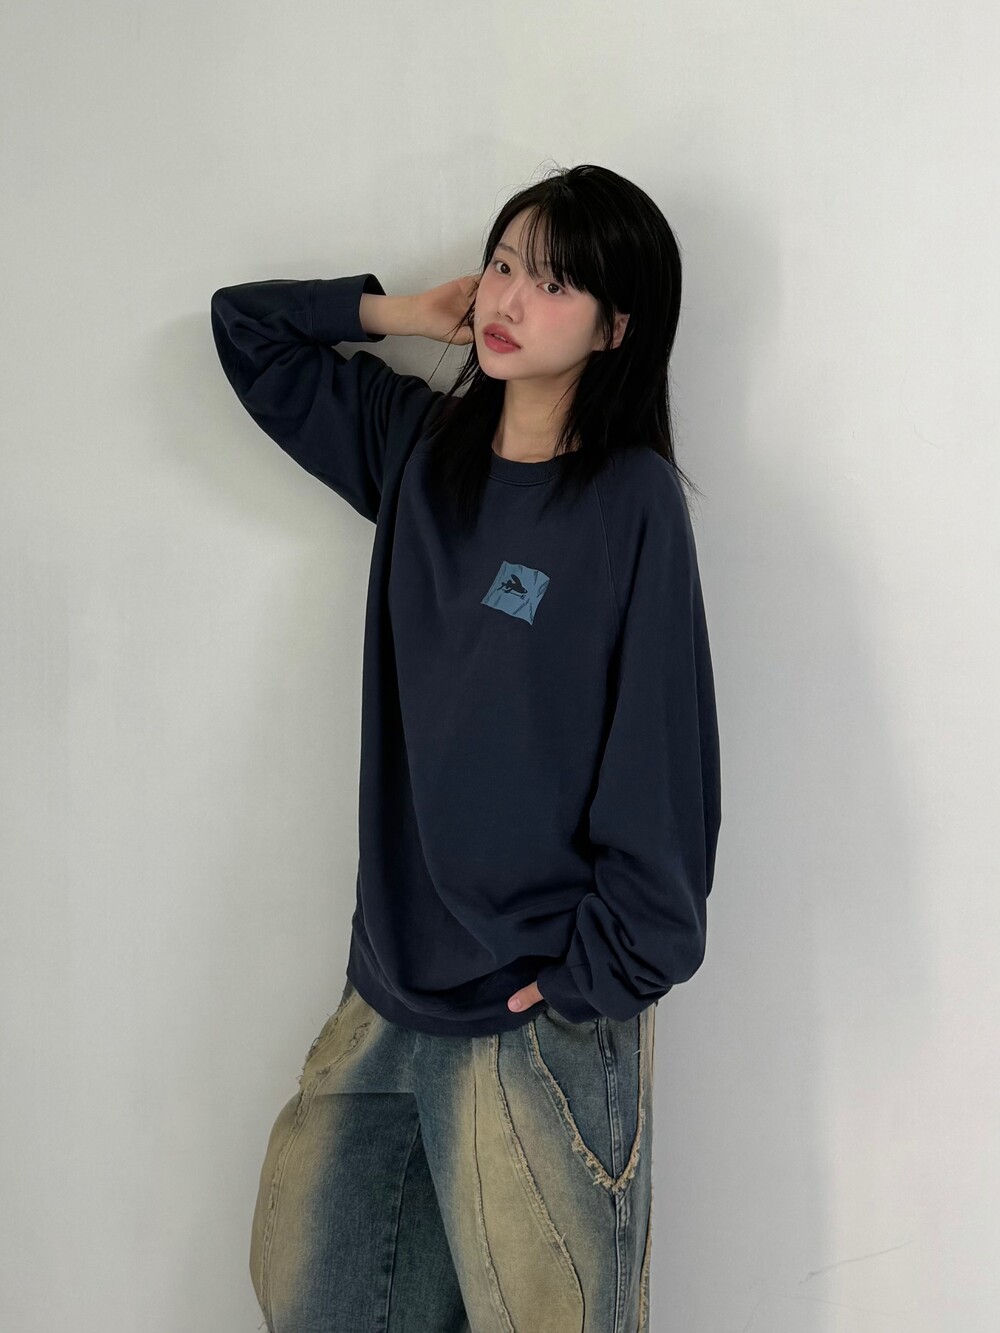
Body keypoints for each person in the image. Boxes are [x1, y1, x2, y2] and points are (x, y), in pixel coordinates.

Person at [210, 162, 722, 1333]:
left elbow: (662, 755)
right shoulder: (417, 450)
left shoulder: (628, 503)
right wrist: (396, 311)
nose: (508, 298)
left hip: (541, 1008)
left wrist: (591, 978)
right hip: (389, 988)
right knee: (317, 1298)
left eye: (552, 282)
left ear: (616, 327)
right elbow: (247, 332)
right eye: (502, 264)